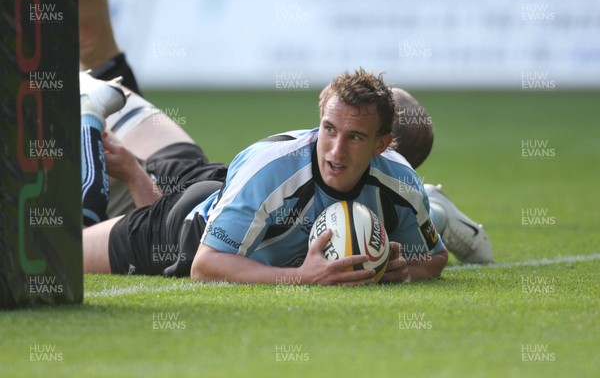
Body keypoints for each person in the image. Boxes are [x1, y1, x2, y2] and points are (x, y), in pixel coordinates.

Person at [82, 68, 454, 285]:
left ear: (382, 145)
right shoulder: (273, 170)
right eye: (329, 130)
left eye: (355, 137)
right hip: (182, 229)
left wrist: (398, 270)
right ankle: (90, 117)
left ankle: (130, 166)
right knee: (61, 253)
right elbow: (205, 265)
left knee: (177, 158)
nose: (336, 151)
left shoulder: (400, 180)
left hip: (230, 190)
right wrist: (302, 277)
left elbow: (434, 258)